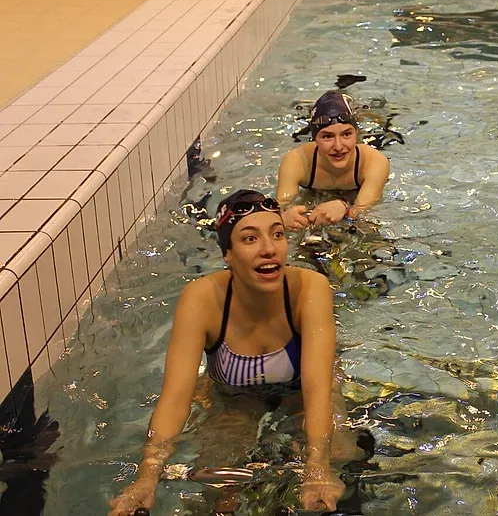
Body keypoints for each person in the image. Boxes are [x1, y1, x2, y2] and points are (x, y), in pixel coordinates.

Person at [108, 190, 349, 515]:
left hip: (303, 397)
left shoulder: (309, 288)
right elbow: (175, 398)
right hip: (232, 399)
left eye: (277, 235)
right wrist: (147, 476)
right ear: (228, 253)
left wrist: (318, 467)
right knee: (218, 491)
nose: (269, 249)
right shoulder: (202, 299)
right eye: (250, 239)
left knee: (339, 466)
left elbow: (317, 389)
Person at [277, 91, 390, 230]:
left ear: (356, 134)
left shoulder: (374, 161)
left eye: (346, 134)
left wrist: (344, 208)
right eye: (327, 136)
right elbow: (280, 208)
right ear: (314, 138)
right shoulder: (297, 161)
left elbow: (363, 213)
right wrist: (282, 219)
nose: (338, 146)